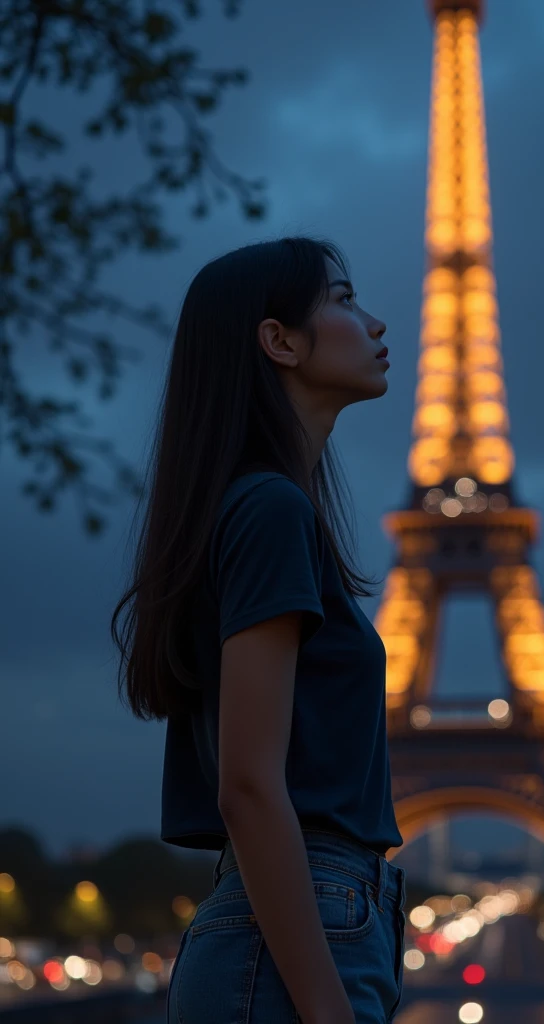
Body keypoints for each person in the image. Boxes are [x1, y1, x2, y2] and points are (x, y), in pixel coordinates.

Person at [110, 235, 407, 1023]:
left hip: (298, 925)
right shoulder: (270, 510)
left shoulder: (259, 510)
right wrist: (325, 1006)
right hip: (301, 938)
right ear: (277, 340)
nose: (376, 323)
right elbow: (247, 784)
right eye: (343, 300)